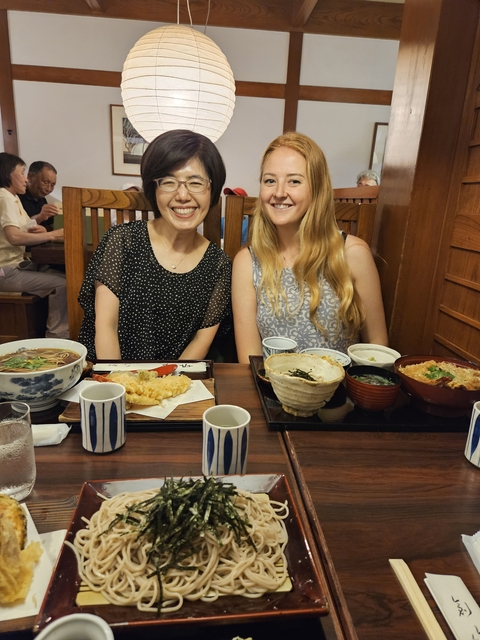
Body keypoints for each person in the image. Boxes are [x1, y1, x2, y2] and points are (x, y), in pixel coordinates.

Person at [232, 132, 388, 363]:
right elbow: (249, 361)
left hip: (341, 395)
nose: (279, 192)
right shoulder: (247, 262)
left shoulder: (352, 254)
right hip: (271, 393)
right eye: (270, 180)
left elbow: (377, 350)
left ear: (317, 189)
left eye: (294, 181)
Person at [78, 129, 232, 361]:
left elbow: (201, 341)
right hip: (108, 380)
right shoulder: (122, 242)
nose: (182, 195)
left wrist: (167, 389)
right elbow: (106, 326)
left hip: (177, 384)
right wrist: (120, 387)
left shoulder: (218, 264)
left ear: (212, 190)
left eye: (196, 182)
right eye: (168, 182)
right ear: (154, 188)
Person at [0, 152, 68, 338]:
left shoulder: (11, 197)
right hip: (5, 270)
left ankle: (54, 330)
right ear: (7, 173)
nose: (25, 178)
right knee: (62, 284)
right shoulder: (5, 197)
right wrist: (53, 235)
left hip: (15, 265)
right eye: (22, 173)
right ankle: (57, 338)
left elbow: (21, 226)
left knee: (54, 272)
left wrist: (37, 223)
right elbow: (14, 237)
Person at [18, 161, 59, 231]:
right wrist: (40, 216)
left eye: (52, 185)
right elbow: (19, 228)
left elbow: (49, 226)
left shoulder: (42, 200)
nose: (48, 189)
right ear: (30, 177)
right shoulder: (17, 197)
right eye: (45, 182)